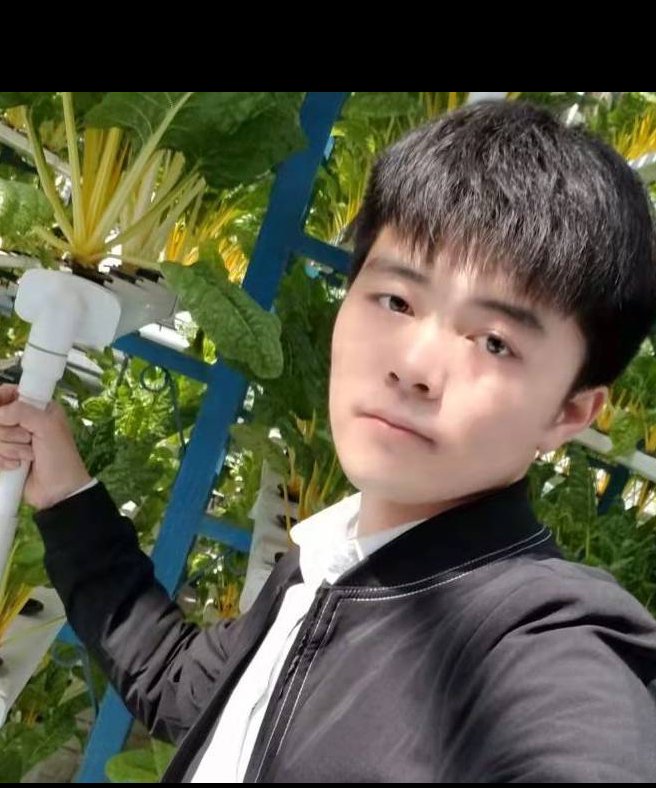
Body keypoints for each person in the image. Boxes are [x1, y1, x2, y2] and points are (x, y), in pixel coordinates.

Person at [2, 99, 656, 782]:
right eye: (397, 300)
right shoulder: (333, 558)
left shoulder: (540, 640)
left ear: (570, 413)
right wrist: (66, 494)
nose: (414, 366)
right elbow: (184, 686)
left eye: (494, 342)